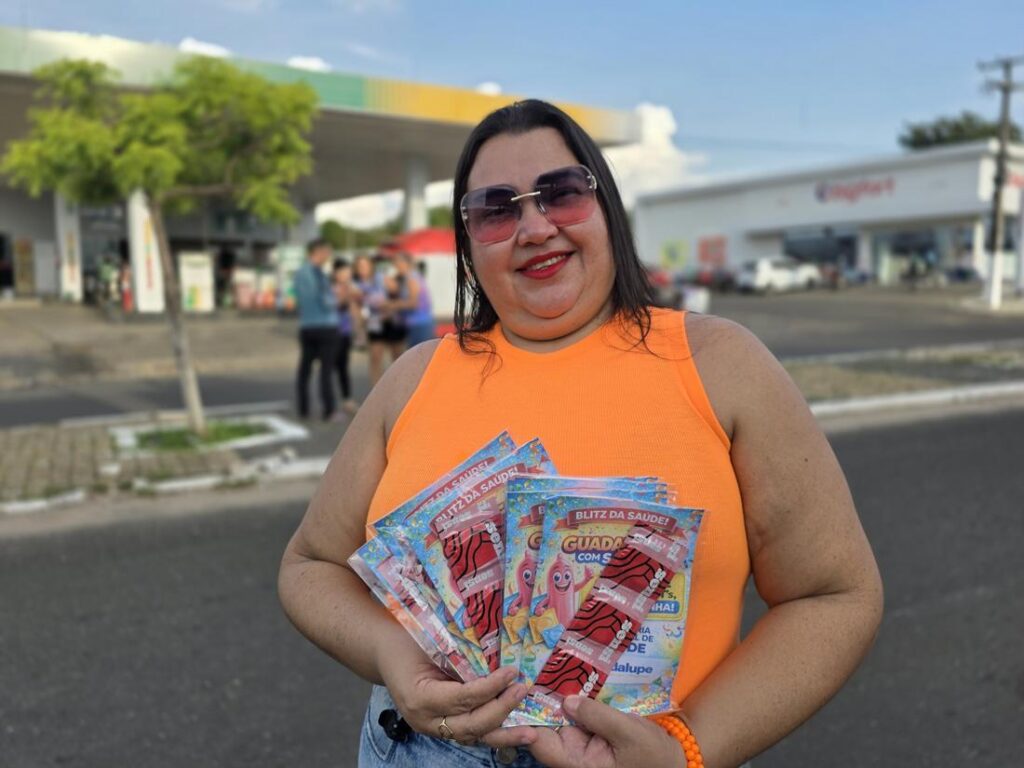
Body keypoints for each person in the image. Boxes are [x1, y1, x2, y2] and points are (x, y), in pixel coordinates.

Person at [278, 100, 883, 768]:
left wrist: (685, 748)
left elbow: (834, 595)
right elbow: (310, 566)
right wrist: (391, 651)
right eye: (496, 209)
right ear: (469, 244)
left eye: (561, 193)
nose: (535, 227)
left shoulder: (722, 365)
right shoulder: (414, 377)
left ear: (606, 208)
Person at [293, 238, 339, 421]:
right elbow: (325, 300)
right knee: (326, 370)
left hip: (307, 325)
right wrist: (338, 299)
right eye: (327, 251)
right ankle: (329, 409)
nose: (328, 255)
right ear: (318, 251)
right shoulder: (317, 273)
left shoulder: (300, 273)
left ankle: (303, 409)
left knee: (305, 369)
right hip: (325, 326)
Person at [332, 258, 360, 416]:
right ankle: (331, 403)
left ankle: (347, 400)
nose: (346, 275)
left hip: (345, 332)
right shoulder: (331, 288)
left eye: (348, 272)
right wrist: (347, 294)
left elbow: (354, 310)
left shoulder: (351, 288)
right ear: (336, 273)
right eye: (343, 272)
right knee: (330, 368)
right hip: (331, 333)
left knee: (343, 367)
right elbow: (336, 304)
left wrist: (358, 331)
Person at [393, 252, 436, 347]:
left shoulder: (411, 279)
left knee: (420, 353)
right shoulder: (412, 277)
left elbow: (413, 303)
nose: (396, 268)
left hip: (419, 324)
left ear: (405, 264)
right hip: (417, 324)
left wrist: (391, 305)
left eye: (397, 264)